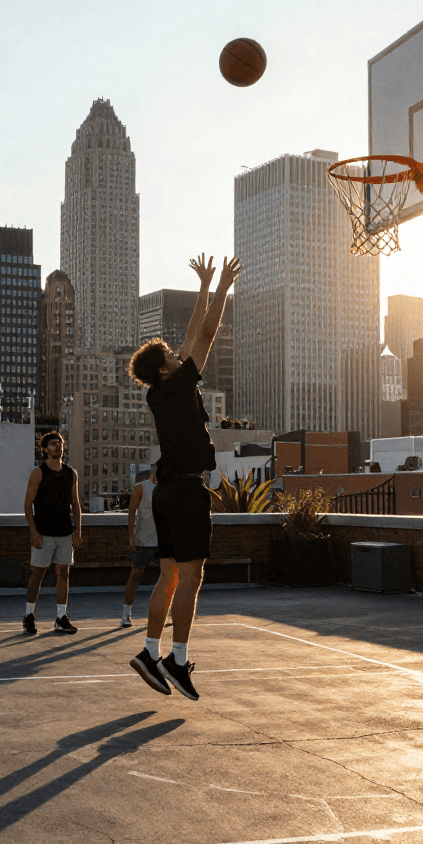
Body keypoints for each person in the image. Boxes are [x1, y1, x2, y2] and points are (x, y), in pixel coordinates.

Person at [126, 253, 242, 700]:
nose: (180, 353)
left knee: (170, 576)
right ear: (163, 368)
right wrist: (223, 288)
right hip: (187, 491)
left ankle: (150, 652)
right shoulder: (176, 385)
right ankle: (174, 659)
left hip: (165, 493)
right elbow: (206, 334)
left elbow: (193, 334)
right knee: (192, 578)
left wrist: (203, 288)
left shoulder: (163, 393)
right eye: (172, 355)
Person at [22, 431, 81, 635]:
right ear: (45, 449)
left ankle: (60, 617)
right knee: (37, 573)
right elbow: (28, 504)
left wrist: (77, 530)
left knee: (63, 573)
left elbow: (75, 503)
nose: (59, 446)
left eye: (61, 443)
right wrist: (34, 532)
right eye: (54, 443)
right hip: (44, 532)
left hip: (65, 533)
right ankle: (29, 615)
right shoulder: (39, 472)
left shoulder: (71, 473)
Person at [121, 465, 161, 628]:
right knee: (136, 575)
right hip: (143, 541)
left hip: (163, 542)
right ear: (154, 469)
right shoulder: (141, 488)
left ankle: (163, 611)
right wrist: (132, 536)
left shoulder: (168, 488)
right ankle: (126, 613)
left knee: (168, 577)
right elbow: (131, 512)